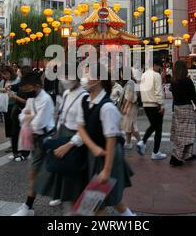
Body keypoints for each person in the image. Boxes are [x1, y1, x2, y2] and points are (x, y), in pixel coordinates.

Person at [77, 69, 135, 216]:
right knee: (110, 200)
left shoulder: (107, 107)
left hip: (108, 157)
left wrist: (106, 170)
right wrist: (93, 148)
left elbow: (111, 140)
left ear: (98, 80)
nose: (84, 78)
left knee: (96, 204)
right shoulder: (85, 100)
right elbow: (80, 127)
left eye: (88, 74)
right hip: (96, 154)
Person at [34, 71, 88, 213]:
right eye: (64, 77)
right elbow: (62, 113)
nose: (65, 80)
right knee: (59, 167)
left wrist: (73, 142)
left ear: (77, 78)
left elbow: (85, 127)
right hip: (62, 132)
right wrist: (56, 133)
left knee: (71, 172)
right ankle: (60, 195)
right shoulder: (66, 93)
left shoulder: (84, 96)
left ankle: (71, 204)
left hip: (75, 137)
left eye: (69, 77)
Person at [13, 72, 55, 216]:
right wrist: (28, 117)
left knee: (55, 172)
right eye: (24, 90)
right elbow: (22, 115)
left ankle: (61, 197)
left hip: (47, 139)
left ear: (37, 86)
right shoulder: (31, 99)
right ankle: (28, 206)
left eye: (27, 89)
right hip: (36, 140)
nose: (26, 93)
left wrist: (29, 117)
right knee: (33, 173)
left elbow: (39, 123)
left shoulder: (46, 99)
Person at [169, 60, 196, 167]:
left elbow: (173, 94)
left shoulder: (173, 81)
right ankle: (176, 157)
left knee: (183, 133)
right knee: (186, 133)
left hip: (177, 108)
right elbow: (193, 95)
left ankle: (188, 154)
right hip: (187, 108)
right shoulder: (187, 81)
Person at [137, 58, 166, 160]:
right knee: (158, 128)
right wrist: (161, 105)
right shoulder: (156, 75)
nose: (159, 69)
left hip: (145, 104)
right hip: (155, 104)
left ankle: (144, 143)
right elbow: (158, 91)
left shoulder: (144, 75)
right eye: (159, 67)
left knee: (154, 126)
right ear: (154, 65)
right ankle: (154, 151)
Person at [0, 66, 21, 158]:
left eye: (5, 74)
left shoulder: (17, 80)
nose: (4, 76)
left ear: (10, 72)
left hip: (15, 105)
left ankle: (18, 145)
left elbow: (20, 91)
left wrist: (11, 92)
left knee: (15, 126)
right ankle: (12, 145)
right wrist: (2, 90)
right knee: (8, 126)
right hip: (6, 106)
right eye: (3, 74)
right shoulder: (3, 81)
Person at [120, 72, 143, 150]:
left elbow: (129, 97)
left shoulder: (130, 82)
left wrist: (125, 108)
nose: (120, 74)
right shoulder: (131, 82)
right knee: (128, 125)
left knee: (131, 126)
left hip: (131, 107)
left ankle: (141, 142)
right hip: (132, 106)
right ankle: (128, 143)